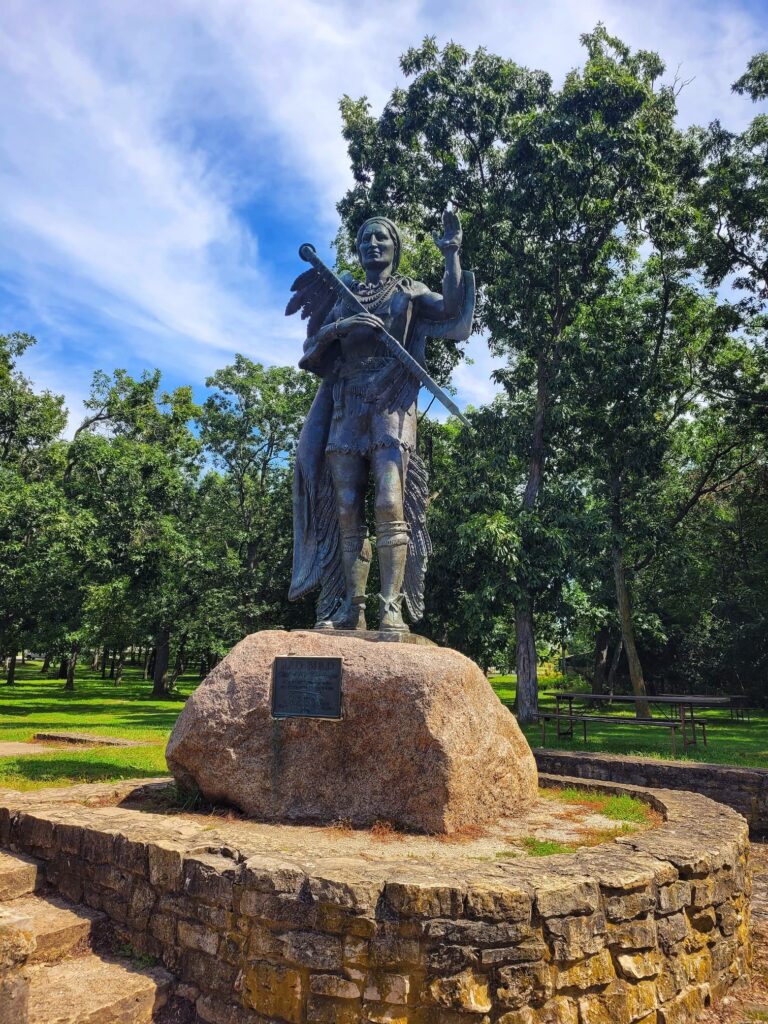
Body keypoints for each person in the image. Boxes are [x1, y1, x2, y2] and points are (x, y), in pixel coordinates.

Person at [287, 211, 474, 633]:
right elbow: (312, 346)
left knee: (389, 502)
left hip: (391, 399)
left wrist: (450, 254)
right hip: (347, 404)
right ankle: (352, 607)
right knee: (347, 507)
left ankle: (391, 606)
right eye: (365, 238)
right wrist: (343, 325)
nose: (373, 243)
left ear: (395, 247)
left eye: (381, 238)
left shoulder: (408, 290)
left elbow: (450, 308)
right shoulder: (345, 291)